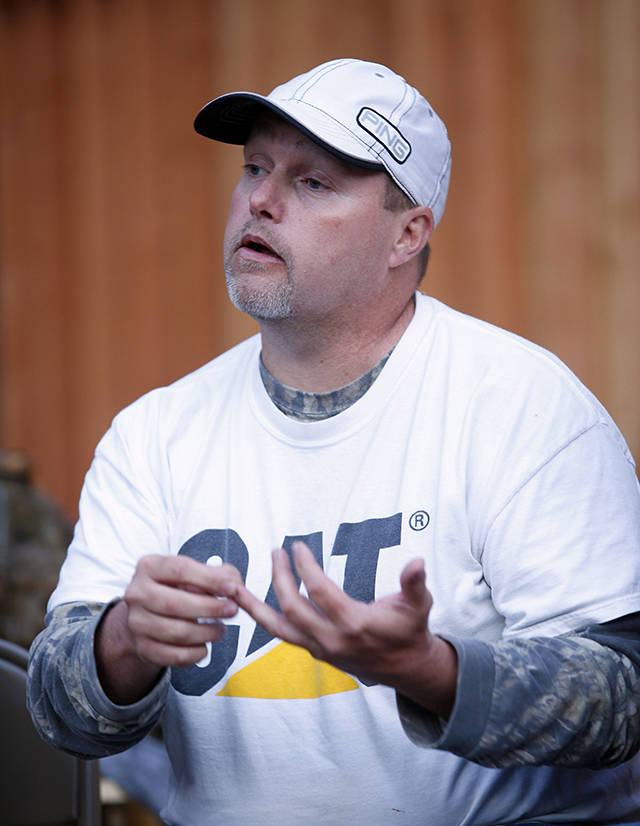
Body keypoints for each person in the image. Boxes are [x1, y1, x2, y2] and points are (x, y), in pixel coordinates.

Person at [27, 58, 640, 825]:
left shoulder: (522, 405)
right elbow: (58, 711)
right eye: (255, 167)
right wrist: (123, 640)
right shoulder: (154, 433)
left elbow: (622, 697)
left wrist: (431, 672)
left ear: (407, 232)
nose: (260, 200)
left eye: (312, 183)